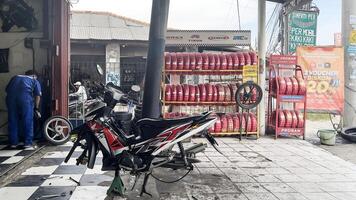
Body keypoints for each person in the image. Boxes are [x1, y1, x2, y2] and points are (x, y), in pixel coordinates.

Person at [6, 70, 41, 149]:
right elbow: (38, 96)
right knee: (27, 120)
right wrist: (36, 108)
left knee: (12, 120)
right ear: (34, 75)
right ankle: (28, 143)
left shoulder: (14, 78)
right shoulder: (34, 80)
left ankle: (13, 143)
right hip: (25, 99)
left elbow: (7, 90)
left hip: (11, 99)